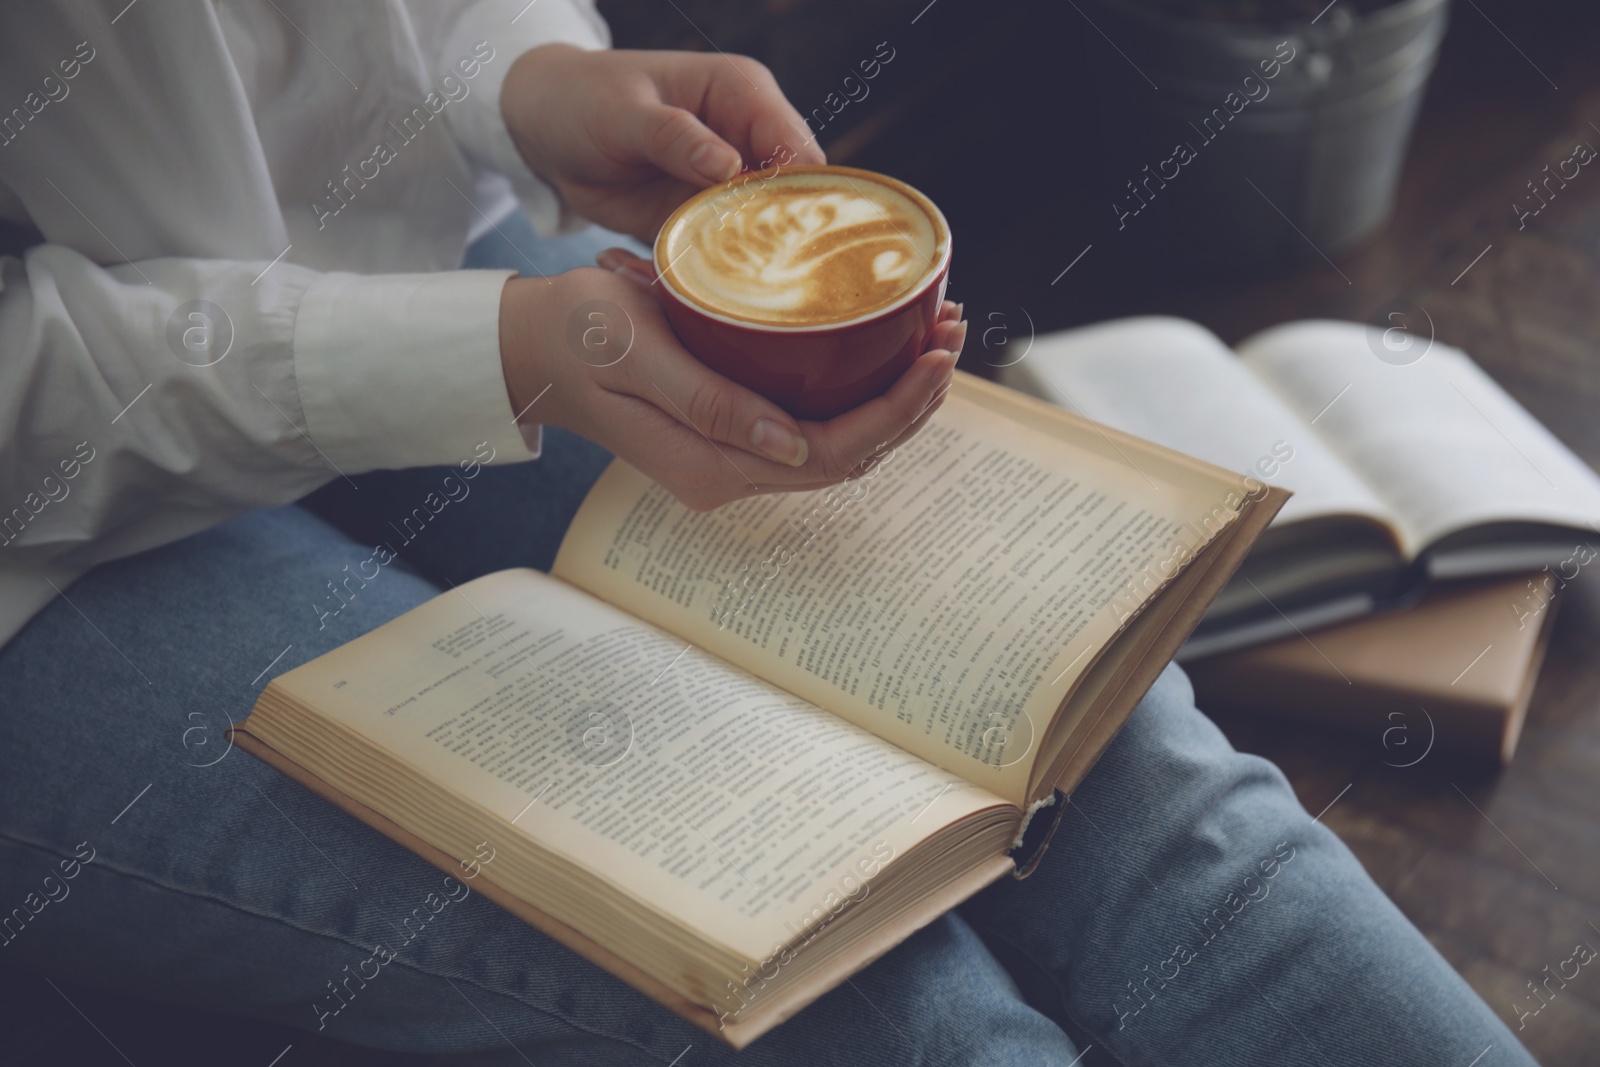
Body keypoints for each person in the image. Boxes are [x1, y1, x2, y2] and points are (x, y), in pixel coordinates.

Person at [0, 4, 1536, 1064]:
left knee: (1127, 772)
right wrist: (506, 354)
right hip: (43, 547)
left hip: (441, 260)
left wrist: (516, 74)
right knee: (848, 984)